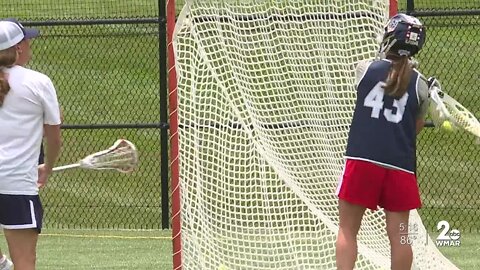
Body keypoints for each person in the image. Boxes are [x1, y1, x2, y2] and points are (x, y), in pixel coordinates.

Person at [335, 14, 428, 270]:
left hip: (362, 160)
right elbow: (415, 128)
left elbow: (383, 79)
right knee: (401, 236)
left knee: (347, 229)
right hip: (399, 167)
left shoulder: (364, 69)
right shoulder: (421, 85)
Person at [0, 20, 62, 270]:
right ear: (18, 48)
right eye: (27, 40)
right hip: (17, 185)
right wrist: (47, 167)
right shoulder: (38, 82)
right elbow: (54, 137)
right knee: (25, 262)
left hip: (16, 182)